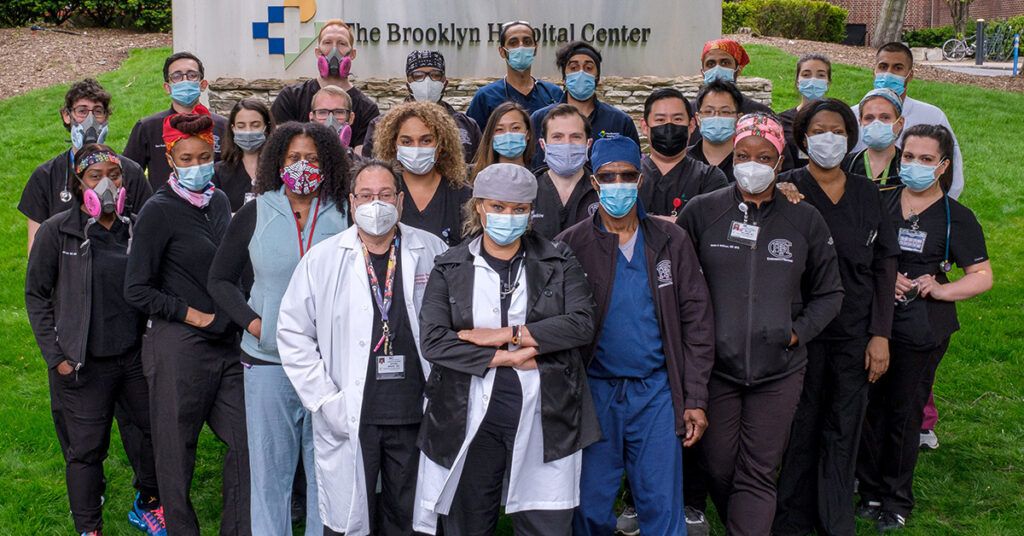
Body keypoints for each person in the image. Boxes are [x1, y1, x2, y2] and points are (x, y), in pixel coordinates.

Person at [675, 113, 844, 536]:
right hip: (716, 367)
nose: (753, 164)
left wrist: (796, 332)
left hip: (779, 370)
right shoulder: (702, 212)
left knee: (759, 469)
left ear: (779, 159)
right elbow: (676, 283)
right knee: (718, 461)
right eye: (743, 155)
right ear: (732, 157)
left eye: (764, 156)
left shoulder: (803, 220)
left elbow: (830, 292)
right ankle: (746, 514)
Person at [413, 163, 599, 536]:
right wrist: (507, 357)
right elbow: (434, 340)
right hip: (469, 419)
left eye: (518, 209)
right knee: (468, 522)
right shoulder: (450, 265)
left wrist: (508, 333)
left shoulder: (557, 259)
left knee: (545, 523)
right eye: (497, 207)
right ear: (479, 207)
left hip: (547, 415)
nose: (507, 217)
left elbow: (581, 323)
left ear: (531, 212)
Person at [275, 158, 446, 535]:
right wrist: (324, 399)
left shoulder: (431, 250)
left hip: (414, 409)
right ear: (352, 203)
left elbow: (452, 324)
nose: (376, 204)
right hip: (353, 411)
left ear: (400, 201)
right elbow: (292, 332)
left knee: (410, 517)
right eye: (366, 195)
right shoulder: (323, 258)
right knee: (352, 518)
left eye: (385, 194)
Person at [558, 135, 716, 536]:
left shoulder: (670, 241)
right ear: (594, 182)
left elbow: (697, 321)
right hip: (596, 393)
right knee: (590, 503)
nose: (618, 184)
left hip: (656, 393)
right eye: (607, 177)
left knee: (661, 503)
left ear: (640, 179)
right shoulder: (571, 245)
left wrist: (694, 397)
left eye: (627, 175)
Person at [208, 121, 350, 535]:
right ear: (277, 162)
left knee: (326, 469)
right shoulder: (255, 212)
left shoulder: (345, 213)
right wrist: (256, 324)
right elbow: (219, 279)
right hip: (268, 362)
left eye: (312, 158)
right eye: (293, 157)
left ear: (327, 164)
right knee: (270, 471)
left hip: (329, 364)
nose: (303, 165)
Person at [18, 80, 154, 511]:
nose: (108, 184)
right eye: (81, 110)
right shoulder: (52, 200)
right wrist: (57, 353)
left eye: (113, 176)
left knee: (146, 430)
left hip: (132, 350)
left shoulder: (132, 181)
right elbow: (37, 283)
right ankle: (88, 515)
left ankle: (149, 499)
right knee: (83, 443)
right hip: (79, 351)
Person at [773, 99, 901, 536]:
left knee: (844, 426)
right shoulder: (785, 187)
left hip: (854, 332)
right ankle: (792, 521)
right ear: (804, 138)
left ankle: (834, 521)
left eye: (838, 130)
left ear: (850, 137)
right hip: (802, 332)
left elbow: (885, 265)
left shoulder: (867, 192)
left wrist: (880, 334)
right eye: (819, 129)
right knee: (800, 425)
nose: (829, 138)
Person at [856, 125, 992, 533]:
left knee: (903, 411)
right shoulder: (880, 201)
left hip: (921, 328)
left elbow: (982, 275)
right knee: (867, 409)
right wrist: (884, 274)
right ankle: (870, 490)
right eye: (909, 156)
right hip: (872, 319)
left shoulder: (956, 218)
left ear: (943, 166)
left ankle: (897, 499)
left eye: (926, 159)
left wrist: (939, 288)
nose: (915, 165)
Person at [124, 110, 250, 535]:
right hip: (179, 346)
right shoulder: (158, 211)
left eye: (204, 156)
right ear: (172, 160)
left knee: (247, 441)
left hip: (228, 347)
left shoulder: (218, 201)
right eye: (188, 158)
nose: (198, 166)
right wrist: (192, 314)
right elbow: (136, 289)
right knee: (176, 453)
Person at [21, 78, 152, 251]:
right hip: (68, 272)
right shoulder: (46, 176)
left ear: (106, 117)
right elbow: (36, 250)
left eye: (98, 111)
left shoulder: (130, 172)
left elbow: (150, 234)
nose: (91, 120)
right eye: (82, 111)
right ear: (67, 116)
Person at [851, 42, 964, 199]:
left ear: (910, 75)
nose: (888, 73)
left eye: (897, 68)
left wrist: (944, 206)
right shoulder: (852, 114)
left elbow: (952, 166)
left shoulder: (932, 116)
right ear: (874, 71)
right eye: (883, 67)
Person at [271, 19, 380, 151]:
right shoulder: (290, 98)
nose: (334, 50)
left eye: (342, 43)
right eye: (327, 43)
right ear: (318, 52)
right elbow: (278, 151)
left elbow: (362, 162)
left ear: (352, 54)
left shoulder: (367, 109)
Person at [124, 51, 228, 190]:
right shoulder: (148, 127)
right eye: (177, 76)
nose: (185, 80)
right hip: (161, 208)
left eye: (192, 75)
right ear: (167, 87)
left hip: (213, 204)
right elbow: (128, 174)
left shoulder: (222, 126)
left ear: (202, 84)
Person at [372, 101, 471, 246]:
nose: (416, 148)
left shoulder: (462, 195)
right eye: (407, 142)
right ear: (394, 145)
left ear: (441, 145)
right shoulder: (381, 193)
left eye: (426, 141)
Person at [529, 41, 640, 168]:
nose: (581, 73)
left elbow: (633, 167)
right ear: (564, 77)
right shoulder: (540, 118)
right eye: (573, 68)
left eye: (588, 68)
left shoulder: (620, 121)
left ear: (597, 76)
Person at [363, 50, 482, 164]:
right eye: (418, 75)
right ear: (408, 83)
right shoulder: (381, 125)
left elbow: (478, 167)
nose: (427, 81)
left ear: (445, 82)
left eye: (435, 75)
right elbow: (369, 167)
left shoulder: (467, 126)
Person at [638, 87, 728, 219]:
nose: (669, 126)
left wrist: (644, 221)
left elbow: (711, 228)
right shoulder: (628, 176)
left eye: (677, 119)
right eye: (660, 120)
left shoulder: (710, 178)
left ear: (691, 125)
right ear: (645, 127)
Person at [465, 20, 563, 130]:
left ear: (535, 49)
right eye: (513, 43)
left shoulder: (553, 94)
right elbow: (473, 140)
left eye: (527, 42)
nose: (521, 47)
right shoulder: (485, 97)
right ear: (502, 52)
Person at [529, 104, 597, 240]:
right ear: (543, 145)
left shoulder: (602, 191)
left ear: (588, 144)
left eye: (576, 137)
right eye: (557, 137)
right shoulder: (527, 190)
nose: (567, 144)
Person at [214, 98, 275, 211]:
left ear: (266, 127)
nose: (248, 131)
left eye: (255, 125)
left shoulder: (280, 168)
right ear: (233, 128)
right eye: (241, 126)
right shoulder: (219, 172)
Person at [778, 54, 833, 170]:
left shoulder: (837, 119)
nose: (813, 80)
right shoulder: (781, 121)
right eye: (806, 75)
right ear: (798, 82)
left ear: (828, 83)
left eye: (821, 75)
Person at [843, 89, 905, 190]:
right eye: (869, 118)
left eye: (885, 117)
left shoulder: (908, 167)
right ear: (860, 122)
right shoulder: (846, 165)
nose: (876, 123)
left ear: (900, 123)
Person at [688, 80, 744, 183]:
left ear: (738, 119)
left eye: (725, 112)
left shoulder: (747, 163)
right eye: (708, 111)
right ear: (698, 118)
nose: (716, 117)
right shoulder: (683, 159)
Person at [699, 39, 773, 115]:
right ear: (703, 73)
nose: (717, 69)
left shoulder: (759, 113)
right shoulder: (689, 112)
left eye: (725, 63)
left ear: (738, 70)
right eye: (710, 64)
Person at [470, 101, 535, 180]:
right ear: (491, 135)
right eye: (499, 129)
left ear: (528, 134)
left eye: (515, 128)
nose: (508, 135)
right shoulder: (473, 176)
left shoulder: (539, 176)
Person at [306, 84, 363, 163]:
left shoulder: (360, 169)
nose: (330, 120)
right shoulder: (298, 163)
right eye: (322, 112)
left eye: (339, 112)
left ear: (351, 118)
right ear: (312, 118)